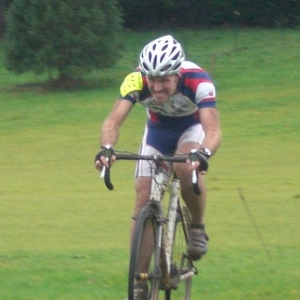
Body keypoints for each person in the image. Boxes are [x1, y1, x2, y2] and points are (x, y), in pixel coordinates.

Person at [95, 35, 221, 298]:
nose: (157, 87)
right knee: (143, 196)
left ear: (178, 74)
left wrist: (204, 153)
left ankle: (197, 226)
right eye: (152, 79)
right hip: (157, 133)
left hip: (191, 130)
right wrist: (106, 148)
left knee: (187, 168)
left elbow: (213, 129)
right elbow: (113, 120)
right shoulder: (135, 80)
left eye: (164, 80)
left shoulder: (198, 80)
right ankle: (139, 281)